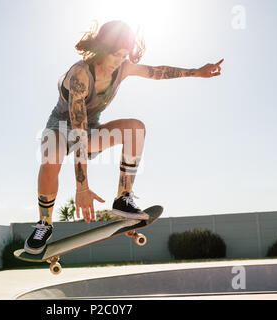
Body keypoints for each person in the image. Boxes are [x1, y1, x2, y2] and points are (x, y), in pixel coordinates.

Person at [25, 20, 223, 254]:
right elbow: (76, 135)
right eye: (116, 56)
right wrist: (83, 188)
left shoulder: (123, 68)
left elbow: (157, 72)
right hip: (59, 127)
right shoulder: (80, 74)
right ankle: (44, 224)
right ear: (101, 50)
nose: (119, 62)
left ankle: (123, 198)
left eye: (124, 56)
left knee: (135, 128)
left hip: (89, 130)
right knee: (51, 158)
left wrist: (195, 72)